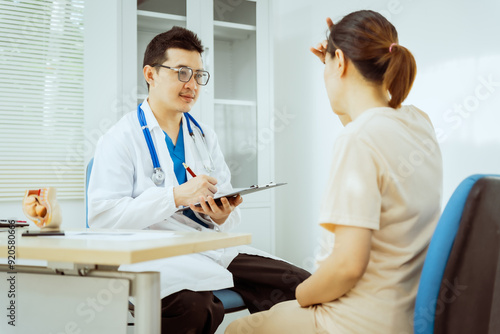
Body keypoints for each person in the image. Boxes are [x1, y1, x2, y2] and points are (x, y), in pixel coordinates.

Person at [226, 10, 443, 334]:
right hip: (409, 316)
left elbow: (347, 266)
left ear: (339, 62)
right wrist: (333, 63)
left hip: (356, 321)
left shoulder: (357, 139)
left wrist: (302, 293)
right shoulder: (418, 122)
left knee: (238, 329)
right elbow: (370, 125)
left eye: (328, 65)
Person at [87, 26, 310, 334]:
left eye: (198, 75)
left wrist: (222, 215)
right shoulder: (120, 138)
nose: (192, 84)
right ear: (150, 74)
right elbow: (102, 217)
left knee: (303, 287)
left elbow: (227, 202)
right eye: (181, 72)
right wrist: (174, 196)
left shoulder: (203, 135)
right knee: (194, 308)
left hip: (206, 246)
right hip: (152, 254)